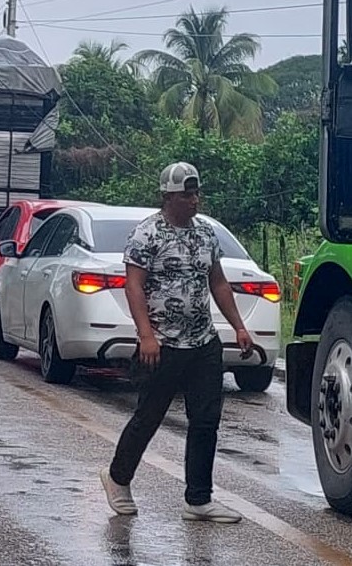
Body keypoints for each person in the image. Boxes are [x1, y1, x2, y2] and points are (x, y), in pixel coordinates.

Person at [100, 162, 252, 524]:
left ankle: (198, 499)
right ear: (169, 197)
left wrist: (239, 327)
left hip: (203, 343)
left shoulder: (205, 234)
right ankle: (118, 479)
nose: (194, 200)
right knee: (149, 416)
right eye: (187, 194)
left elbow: (217, 283)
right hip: (163, 344)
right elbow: (133, 285)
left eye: (196, 193)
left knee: (205, 421)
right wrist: (146, 335)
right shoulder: (147, 234)